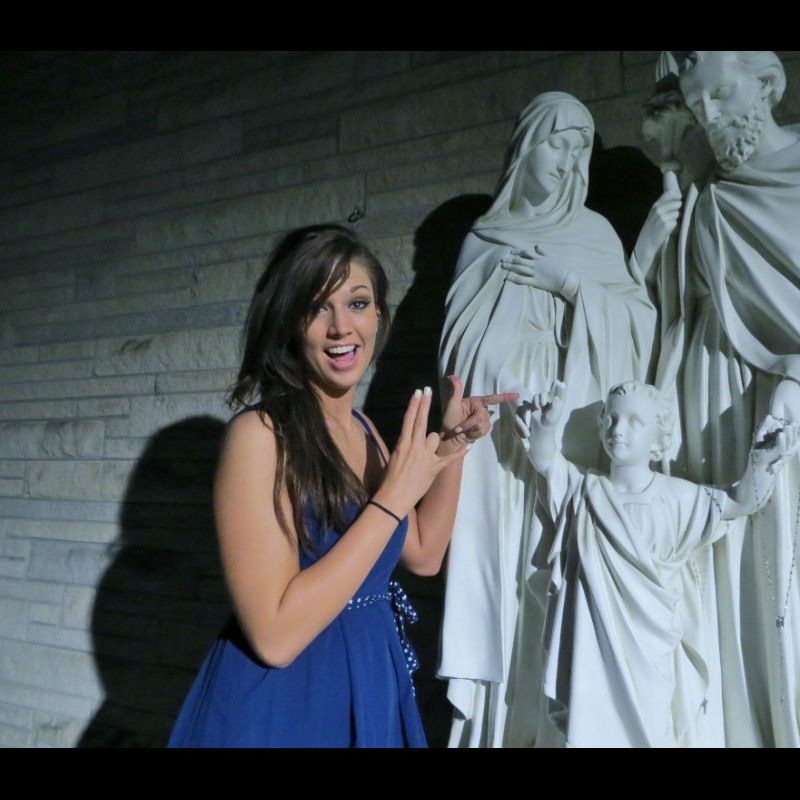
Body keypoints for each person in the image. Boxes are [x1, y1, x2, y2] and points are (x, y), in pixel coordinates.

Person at [168, 224, 516, 748]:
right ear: (289, 322)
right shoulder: (259, 436)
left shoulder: (364, 429)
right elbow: (275, 638)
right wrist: (392, 497)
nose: (340, 328)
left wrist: (450, 446)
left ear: (378, 315)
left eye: (357, 303)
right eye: (317, 307)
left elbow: (423, 554)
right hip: (289, 700)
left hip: (371, 674)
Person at [437, 92, 656, 747]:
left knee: (553, 572)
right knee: (497, 573)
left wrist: (571, 285)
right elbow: (453, 351)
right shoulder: (483, 239)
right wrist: (495, 388)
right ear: (526, 146)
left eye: (579, 149)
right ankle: (498, 728)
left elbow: (639, 335)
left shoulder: (594, 236)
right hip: (493, 443)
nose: (567, 161)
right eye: (557, 143)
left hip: (569, 435)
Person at [641, 51, 800, 747]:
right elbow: (672, 313)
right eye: (697, 103)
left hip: (787, 401)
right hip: (709, 392)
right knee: (725, 565)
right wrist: (651, 252)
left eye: (722, 95)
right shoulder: (704, 194)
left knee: (784, 564)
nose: (710, 116)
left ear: (767, 84)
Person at [517, 379, 799, 747]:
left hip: (650, 650)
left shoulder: (677, 497)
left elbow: (740, 501)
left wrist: (759, 464)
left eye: (634, 421)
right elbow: (546, 461)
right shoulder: (585, 491)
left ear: (657, 437)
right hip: (591, 651)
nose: (618, 429)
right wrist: (547, 427)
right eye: (612, 419)